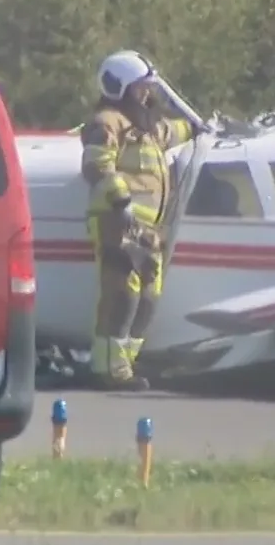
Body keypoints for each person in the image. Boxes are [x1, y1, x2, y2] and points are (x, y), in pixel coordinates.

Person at [80, 50, 198, 392]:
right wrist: (120, 200)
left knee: (148, 298)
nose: (146, 93)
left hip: (149, 230)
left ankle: (124, 363)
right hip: (117, 222)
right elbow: (96, 165)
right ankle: (108, 370)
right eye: (140, 87)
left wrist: (198, 128)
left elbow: (176, 130)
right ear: (120, 87)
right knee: (123, 297)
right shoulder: (107, 122)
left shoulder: (147, 127)